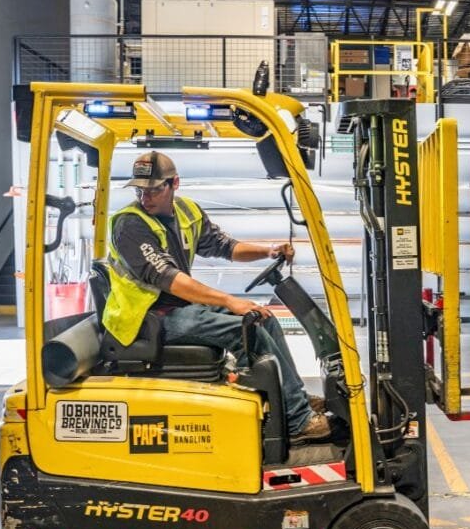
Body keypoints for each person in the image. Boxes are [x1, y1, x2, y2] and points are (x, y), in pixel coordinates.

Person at [102, 151, 330, 443]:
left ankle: (293, 399)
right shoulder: (130, 225)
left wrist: (267, 250)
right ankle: (298, 420)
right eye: (140, 190)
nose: (145, 197)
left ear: (175, 184)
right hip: (146, 320)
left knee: (264, 319)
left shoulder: (186, 212)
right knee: (247, 331)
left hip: (176, 308)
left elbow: (225, 246)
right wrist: (228, 301)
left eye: (154, 189)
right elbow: (169, 279)